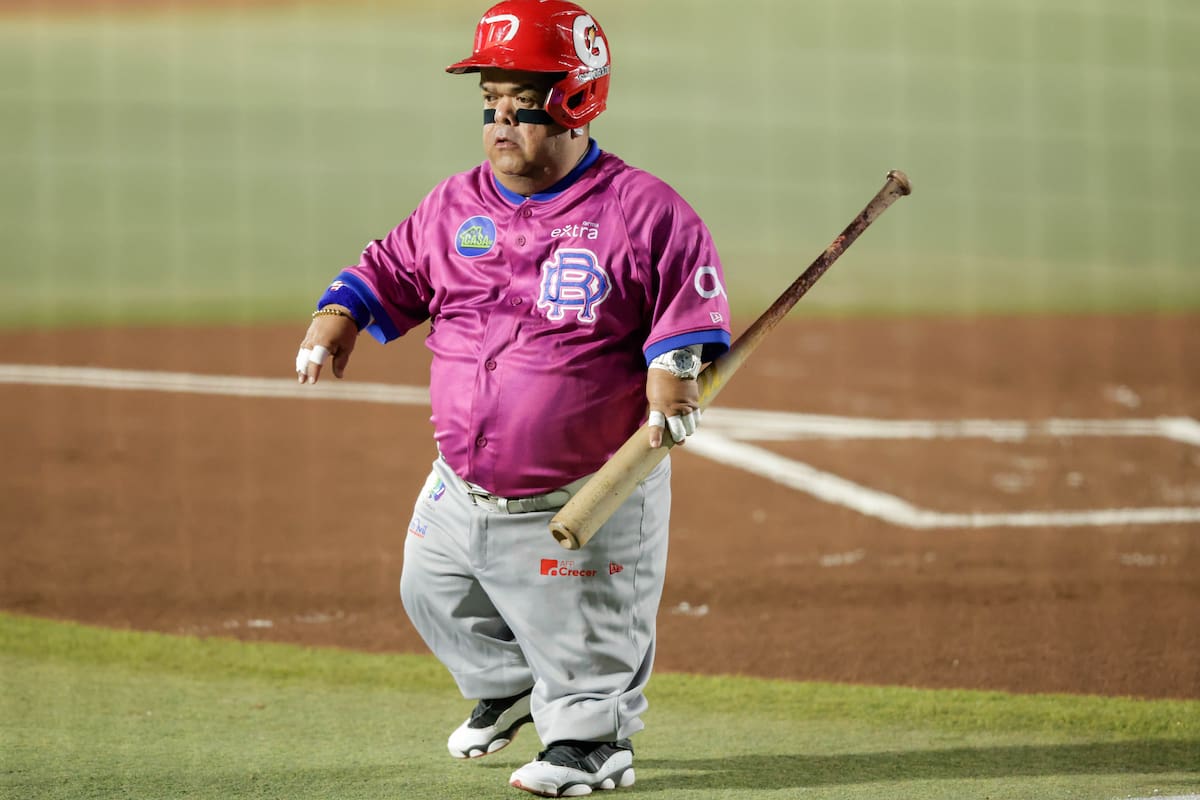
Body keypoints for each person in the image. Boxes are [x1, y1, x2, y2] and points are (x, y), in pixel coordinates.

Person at [294, 0, 731, 795]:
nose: (499, 121)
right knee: (429, 587)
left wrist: (674, 379)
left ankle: (593, 743)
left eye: (519, 103)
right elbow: (387, 269)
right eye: (487, 104)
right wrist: (337, 320)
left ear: (576, 100)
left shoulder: (642, 212)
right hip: (462, 484)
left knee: (588, 633)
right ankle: (510, 685)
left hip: (589, 487)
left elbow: (684, 311)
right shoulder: (457, 204)